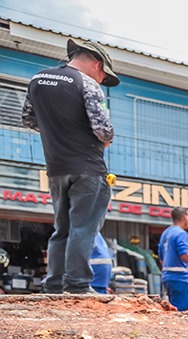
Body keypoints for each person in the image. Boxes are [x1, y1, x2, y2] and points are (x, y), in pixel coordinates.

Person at [21, 38, 118, 295]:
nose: (101, 80)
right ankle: (77, 286)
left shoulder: (37, 80)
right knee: (83, 228)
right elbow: (102, 130)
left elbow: (28, 119)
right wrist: (105, 138)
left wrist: (60, 134)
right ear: (97, 64)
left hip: (56, 167)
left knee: (61, 228)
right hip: (88, 167)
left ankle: (53, 286)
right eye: (103, 75)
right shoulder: (87, 84)